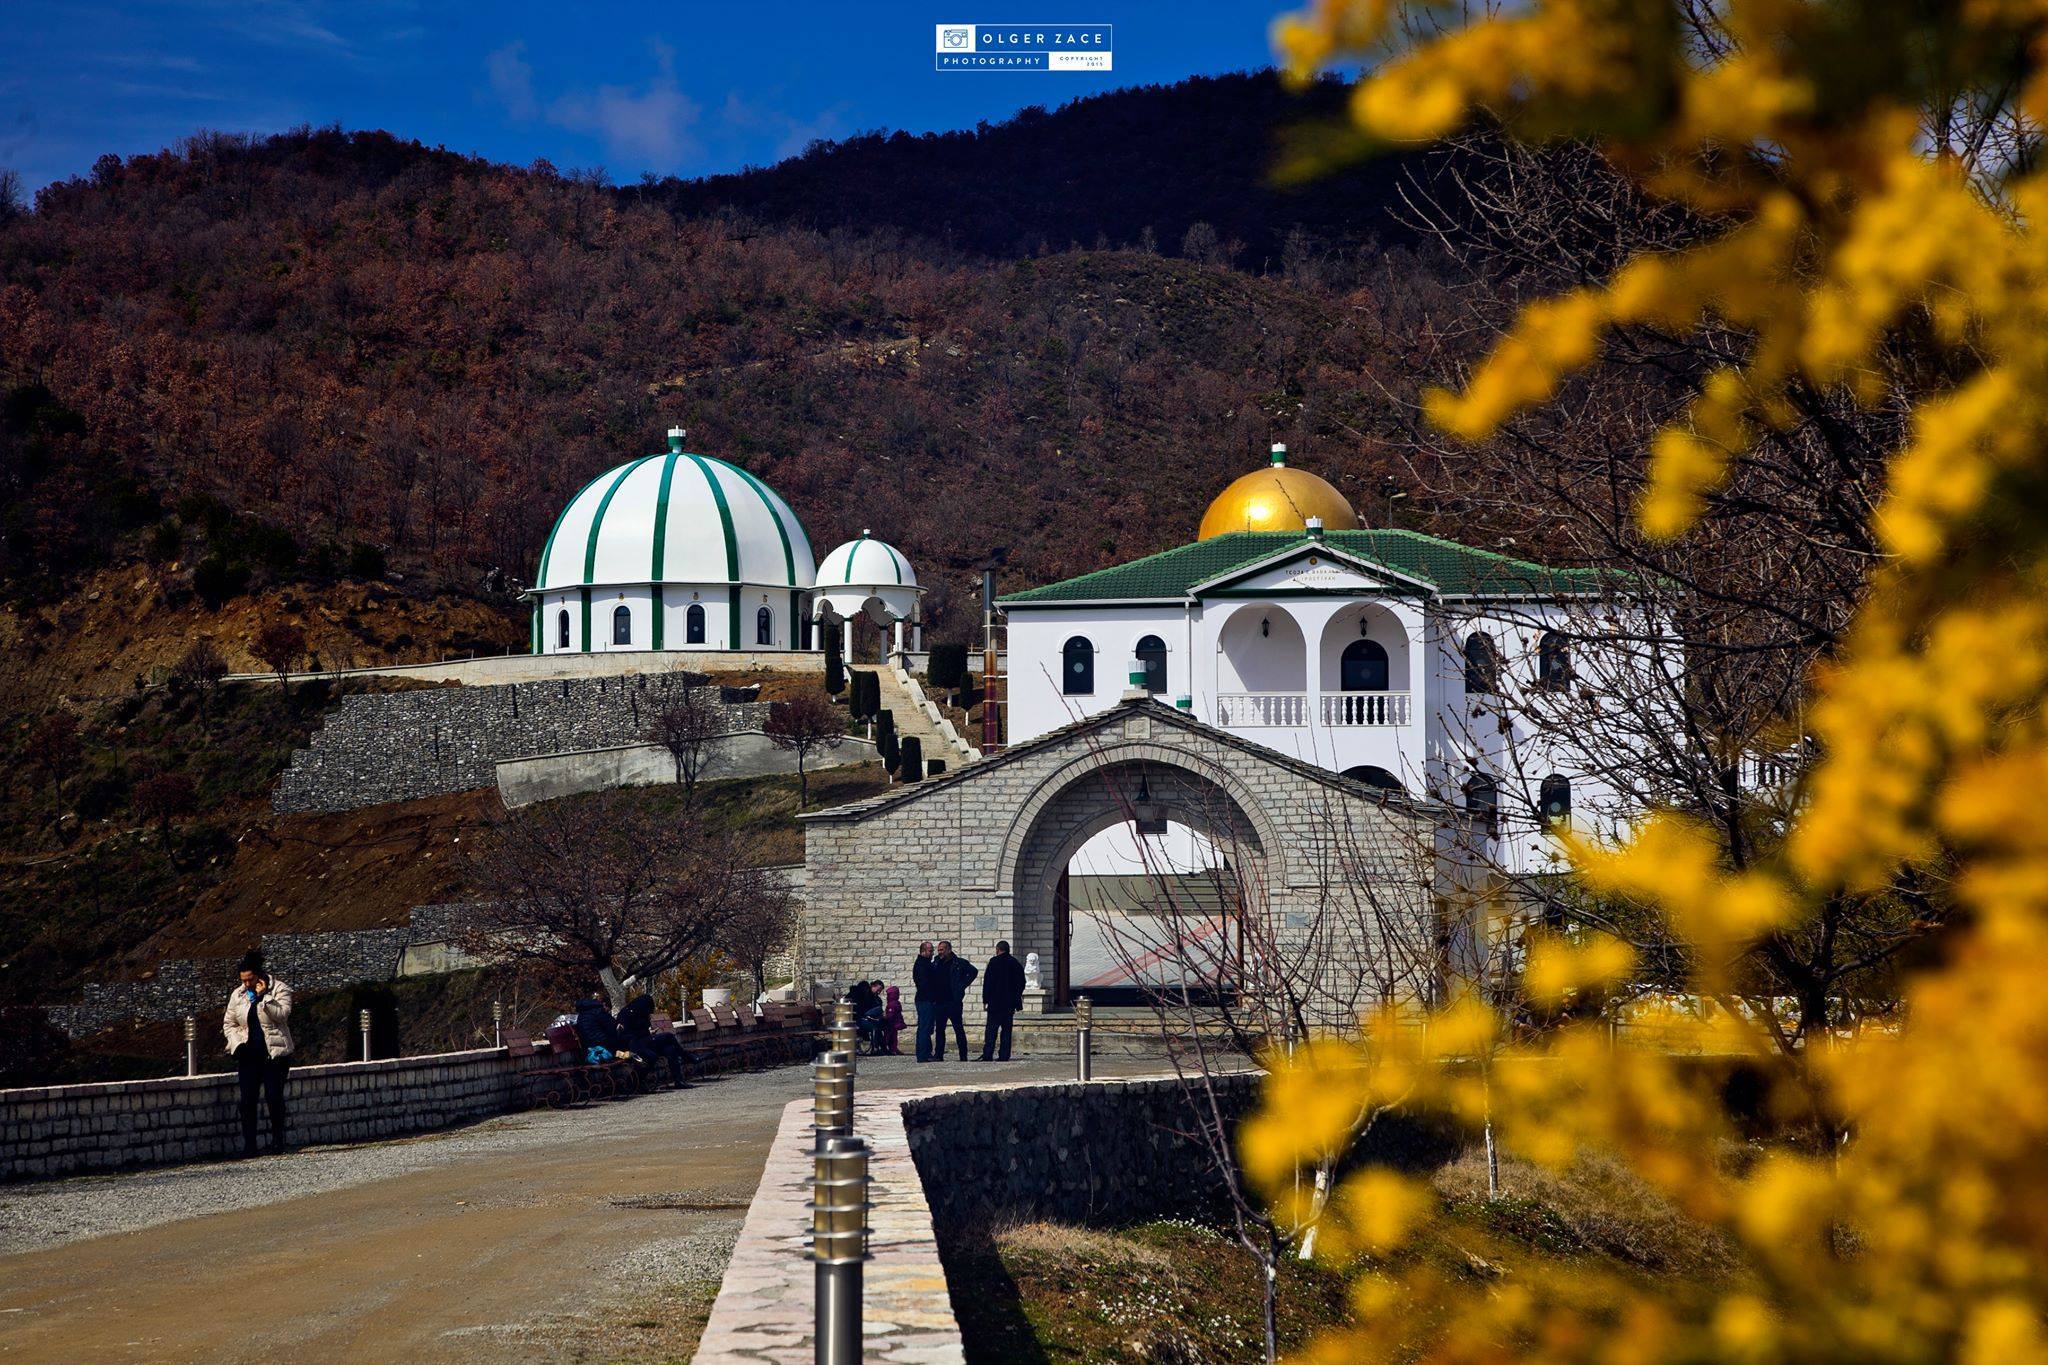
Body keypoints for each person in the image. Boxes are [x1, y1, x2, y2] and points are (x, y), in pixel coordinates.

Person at [221, 950, 294, 1157]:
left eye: (250, 979)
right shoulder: (238, 995)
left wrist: (265, 998)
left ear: (259, 976)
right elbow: (229, 1023)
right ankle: (250, 1146)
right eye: (243, 980)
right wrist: (236, 1044)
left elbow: (282, 1015)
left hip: (274, 1054)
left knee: (273, 1097)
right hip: (248, 1055)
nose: (246, 984)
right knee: (247, 1101)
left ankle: (278, 1141)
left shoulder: (279, 989)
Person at [618, 992, 691, 1089]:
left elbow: (642, 1030)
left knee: (670, 1049)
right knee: (668, 1036)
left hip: (646, 1041)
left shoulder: (642, 1013)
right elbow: (627, 1034)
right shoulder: (626, 1014)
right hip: (635, 1045)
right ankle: (686, 1056)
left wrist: (650, 1032)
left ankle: (679, 1080)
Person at [978, 941, 1026, 1062]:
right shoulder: (1014, 963)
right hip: (1009, 1004)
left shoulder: (994, 962)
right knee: (1006, 1031)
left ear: (998, 949)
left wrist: (985, 999)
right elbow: (1022, 982)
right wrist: (1016, 997)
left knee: (991, 1031)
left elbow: (988, 982)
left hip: (995, 1003)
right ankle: (1004, 1055)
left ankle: (988, 1054)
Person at [934, 940, 977, 1062]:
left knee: (958, 1029)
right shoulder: (936, 962)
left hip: (954, 1001)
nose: (940, 952)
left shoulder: (959, 963)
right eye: (938, 950)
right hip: (940, 1002)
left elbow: (973, 971)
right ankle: (938, 1055)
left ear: (948, 949)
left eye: (942, 949)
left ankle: (963, 1055)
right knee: (940, 1030)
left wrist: (962, 985)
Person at [574, 991, 622, 1062]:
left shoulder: (582, 1013)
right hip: (601, 1044)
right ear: (604, 1004)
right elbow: (611, 1027)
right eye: (608, 1010)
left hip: (588, 1045)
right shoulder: (599, 1011)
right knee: (623, 1040)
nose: (607, 1012)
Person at [912, 942, 940, 1062]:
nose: (932, 953)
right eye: (930, 951)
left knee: (925, 1027)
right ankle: (923, 1055)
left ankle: (925, 1053)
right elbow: (925, 984)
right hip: (925, 1000)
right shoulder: (922, 965)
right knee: (924, 1027)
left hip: (924, 999)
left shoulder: (924, 964)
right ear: (923, 951)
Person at [881, 985, 906, 1055]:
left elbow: (890, 1015)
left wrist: (885, 1017)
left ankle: (890, 1049)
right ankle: (893, 1048)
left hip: (890, 1024)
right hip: (895, 1023)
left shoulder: (891, 1004)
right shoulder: (897, 1003)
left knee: (889, 1037)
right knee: (894, 1037)